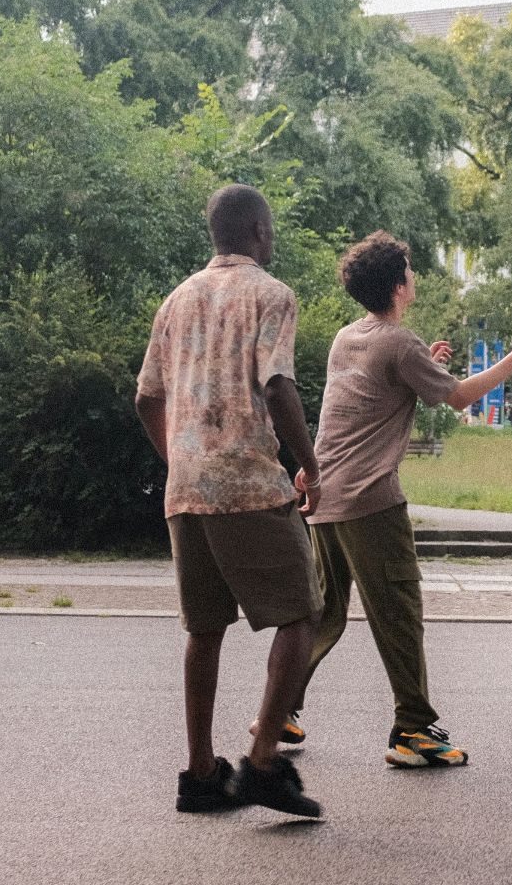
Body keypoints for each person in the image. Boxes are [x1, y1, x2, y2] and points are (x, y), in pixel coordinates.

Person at [287, 231, 512, 769]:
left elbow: (364, 400)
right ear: (398, 284)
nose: (415, 278)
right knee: (399, 613)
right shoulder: (397, 343)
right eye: (409, 271)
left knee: (324, 612)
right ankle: (413, 730)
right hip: (371, 502)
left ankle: (280, 709)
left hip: (327, 495)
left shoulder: (349, 338)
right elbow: (456, 398)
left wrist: (422, 364)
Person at [135, 184, 325, 817]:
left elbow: (147, 397)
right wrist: (309, 464)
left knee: (204, 630)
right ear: (257, 233)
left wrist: (180, 457)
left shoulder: (176, 299)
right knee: (303, 614)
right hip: (248, 480)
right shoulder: (271, 294)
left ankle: (199, 775)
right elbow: (277, 385)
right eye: (270, 231)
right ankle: (265, 761)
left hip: (186, 488)